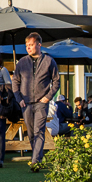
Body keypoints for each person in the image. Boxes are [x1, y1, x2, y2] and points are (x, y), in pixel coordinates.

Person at [12, 32, 60, 172]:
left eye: (31, 45)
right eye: (27, 45)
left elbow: (56, 81)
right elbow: (15, 81)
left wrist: (48, 97)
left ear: (39, 45)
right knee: (32, 134)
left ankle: (35, 162)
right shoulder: (21, 62)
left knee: (39, 131)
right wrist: (18, 98)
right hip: (25, 103)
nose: (29, 48)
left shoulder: (49, 61)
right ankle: (37, 158)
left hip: (41, 102)